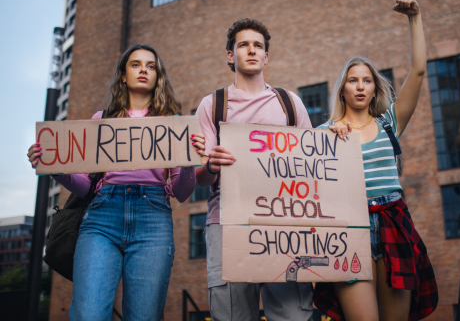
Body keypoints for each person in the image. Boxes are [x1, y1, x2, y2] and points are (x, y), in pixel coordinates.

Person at [27, 44, 204, 321]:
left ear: (158, 76)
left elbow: (182, 193)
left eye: (150, 65)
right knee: (88, 314)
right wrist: (54, 168)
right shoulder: (102, 119)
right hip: (101, 217)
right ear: (123, 75)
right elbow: (85, 186)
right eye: (135, 64)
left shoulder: (173, 125)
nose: (143, 70)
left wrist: (191, 164)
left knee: (144, 316)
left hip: (153, 219)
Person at [313, 0, 438, 321]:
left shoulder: (389, 123)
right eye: (352, 80)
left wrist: (415, 17)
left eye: (366, 80)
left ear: (373, 88)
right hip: (346, 228)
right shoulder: (323, 133)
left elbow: (420, 70)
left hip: (392, 222)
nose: (360, 86)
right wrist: (329, 140)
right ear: (342, 88)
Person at [195, 18, 315, 321]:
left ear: (266, 56)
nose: (251, 50)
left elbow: (314, 166)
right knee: (233, 315)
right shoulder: (212, 105)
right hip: (227, 223)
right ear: (230, 55)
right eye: (243, 45)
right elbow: (199, 177)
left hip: (285, 225)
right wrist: (211, 164)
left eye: (258, 46)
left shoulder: (290, 103)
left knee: (294, 315)